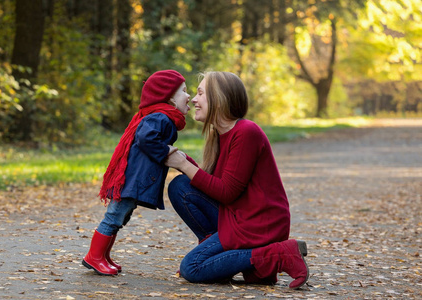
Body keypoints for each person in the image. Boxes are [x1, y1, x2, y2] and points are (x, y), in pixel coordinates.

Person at [165, 71, 309, 289]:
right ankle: (220, 261)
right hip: (237, 216)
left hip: (258, 223)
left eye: (200, 93)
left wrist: (183, 165)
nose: (194, 99)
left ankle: (279, 253)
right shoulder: (219, 135)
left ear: (218, 98)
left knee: (191, 268)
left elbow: (226, 192)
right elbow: (212, 186)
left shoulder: (246, 132)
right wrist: (183, 162)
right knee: (180, 186)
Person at [82, 70, 190, 275]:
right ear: (169, 98)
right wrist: (165, 151)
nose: (189, 96)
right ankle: (94, 257)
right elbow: (145, 137)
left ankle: (102, 256)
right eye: (184, 91)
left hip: (134, 179)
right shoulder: (161, 117)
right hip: (131, 178)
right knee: (114, 216)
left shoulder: (163, 117)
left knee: (121, 216)